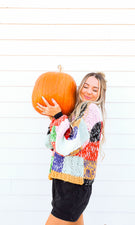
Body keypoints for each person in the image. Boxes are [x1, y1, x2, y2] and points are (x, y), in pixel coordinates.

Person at [36, 72, 107, 225]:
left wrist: (59, 116)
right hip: (65, 181)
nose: (88, 91)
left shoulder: (91, 110)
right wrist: (56, 118)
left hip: (74, 185)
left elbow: (72, 144)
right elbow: (51, 144)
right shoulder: (76, 112)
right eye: (86, 86)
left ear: (101, 93)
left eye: (95, 89)